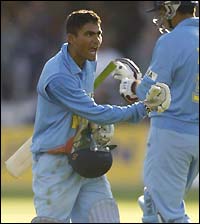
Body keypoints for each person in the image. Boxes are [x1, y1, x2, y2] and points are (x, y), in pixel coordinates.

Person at [30, 9, 171, 223]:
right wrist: (142, 109)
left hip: (85, 156)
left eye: (98, 33)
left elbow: (88, 111)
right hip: (55, 162)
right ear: (70, 39)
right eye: (88, 34)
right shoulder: (58, 75)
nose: (96, 40)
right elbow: (94, 111)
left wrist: (93, 126)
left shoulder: (87, 62)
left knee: (105, 218)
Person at [113, 1, 199, 223]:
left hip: (172, 134)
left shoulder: (171, 41)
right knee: (153, 206)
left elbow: (149, 91)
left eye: (162, 10)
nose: (160, 17)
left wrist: (131, 84)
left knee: (165, 214)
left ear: (172, 8)